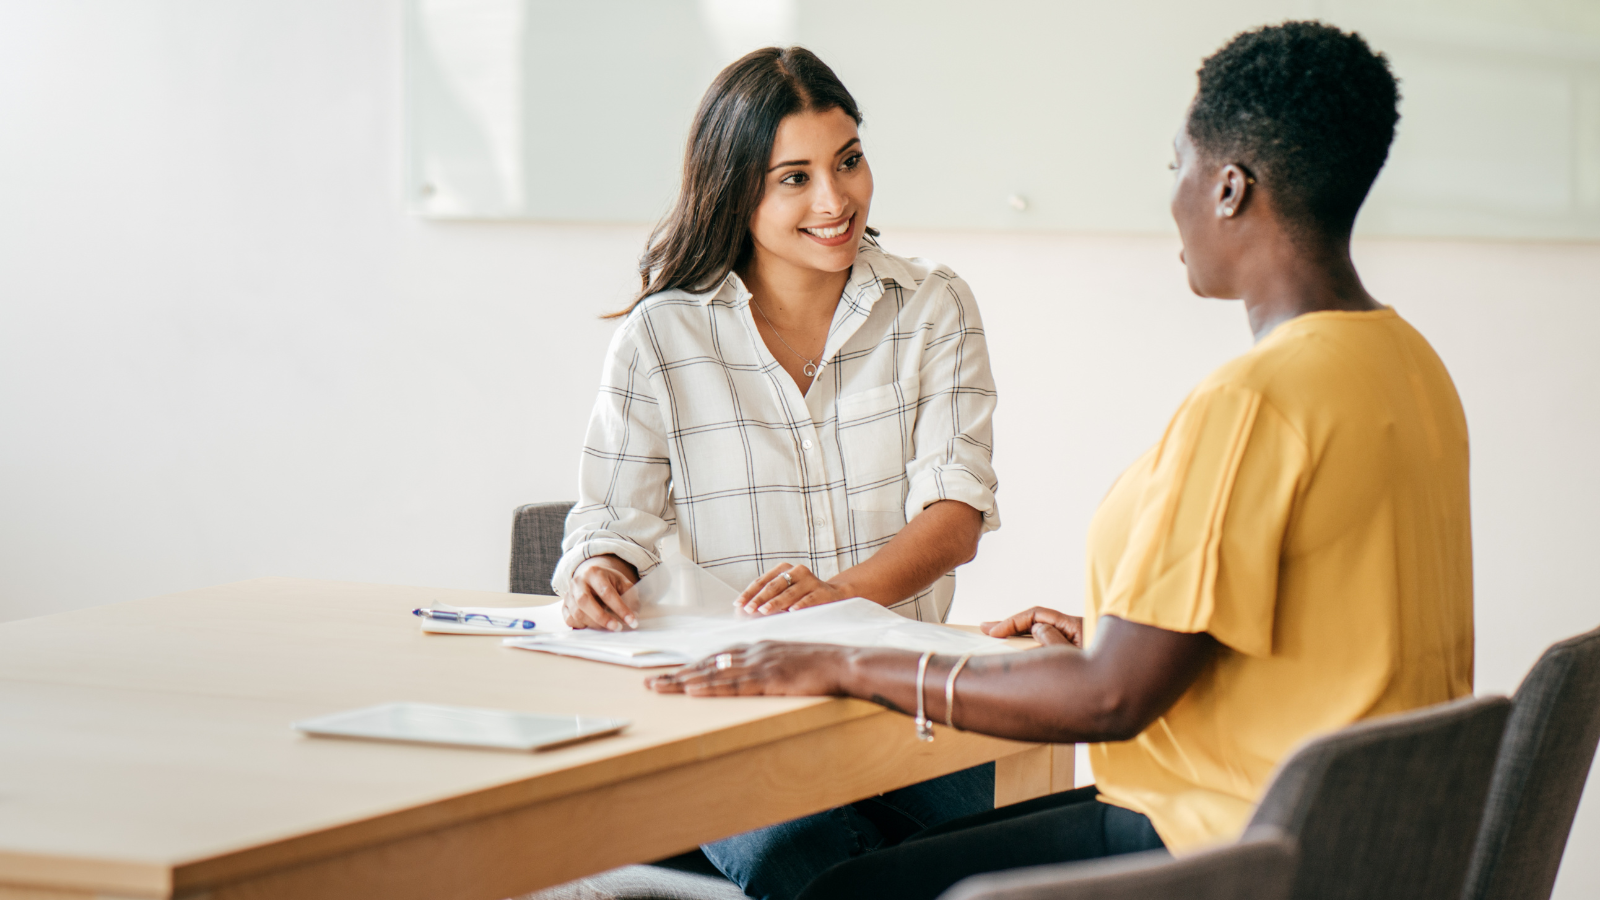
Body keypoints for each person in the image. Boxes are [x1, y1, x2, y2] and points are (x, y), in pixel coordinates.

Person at [649, 21, 1475, 900]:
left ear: (1229, 188)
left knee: (834, 891)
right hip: (1359, 847)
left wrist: (842, 662)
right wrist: (1112, 636)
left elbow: (1111, 702)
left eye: (1177, 170)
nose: (1174, 200)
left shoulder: (1254, 404)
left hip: (1222, 850)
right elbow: (1331, 630)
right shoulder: (1408, 366)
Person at [552, 47, 1001, 900]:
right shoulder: (660, 337)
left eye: (849, 161)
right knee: (809, 862)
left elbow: (956, 513)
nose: (835, 200)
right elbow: (611, 518)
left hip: (906, 703)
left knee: (993, 847)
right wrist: (599, 571)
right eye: (793, 177)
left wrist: (843, 598)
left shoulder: (933, 306)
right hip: (736, 715)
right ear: (735, 190)